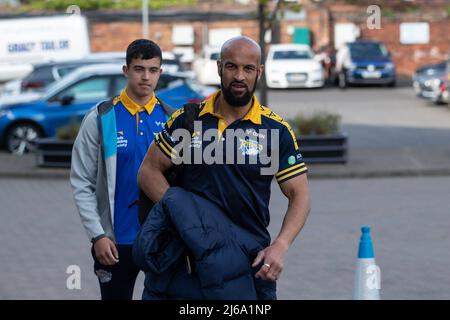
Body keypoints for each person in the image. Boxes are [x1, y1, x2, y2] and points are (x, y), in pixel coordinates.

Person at [137, 36, 311, 299]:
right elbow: (148, 171)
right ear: (219, 67)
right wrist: (188, 220)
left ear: (259, 72)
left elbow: (300, 196)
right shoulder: (188, 120)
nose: (239, 76)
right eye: (231, 67)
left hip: (247, 263)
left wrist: (281, 245)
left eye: (248, 69)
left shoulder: (275, 131)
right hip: (186, 264)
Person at [70, 39, 173, 300]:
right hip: (114, 243)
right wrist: (98, 235)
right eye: (139, 69)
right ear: (126, 70)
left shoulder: (173, 120)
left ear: (160, 72)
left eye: (152, 70)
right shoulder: (102, 117)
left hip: (162, 240)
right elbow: (82, 182)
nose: (145, 77)